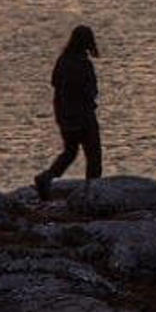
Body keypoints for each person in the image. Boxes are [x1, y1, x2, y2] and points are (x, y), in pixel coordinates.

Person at [34, 25, 102, 199]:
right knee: (94, 155)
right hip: (83, 116)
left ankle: (46, 177)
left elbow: (54, 82)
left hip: (64, 114)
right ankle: (92, 193)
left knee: (70, 152)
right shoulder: (83, 64)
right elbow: (89, 90)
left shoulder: (63, 60)